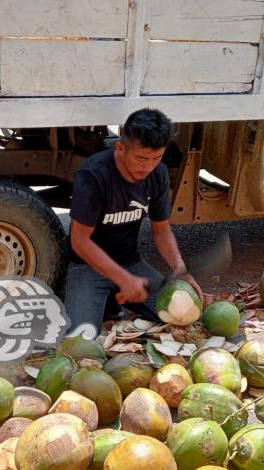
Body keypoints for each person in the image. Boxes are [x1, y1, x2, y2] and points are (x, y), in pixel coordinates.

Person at [65, 108, 203, 333]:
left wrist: (178, 265)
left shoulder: (158, 174)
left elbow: (161, 230)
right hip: (87, 266)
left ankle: (114, 298)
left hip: (129, 262)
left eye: (156, 158)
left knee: (183, 317)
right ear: (120, 147)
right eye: (140, 158)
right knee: (80, 341)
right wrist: (124, 279)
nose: (147, 167)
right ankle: (107, 297)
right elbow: (79, 241)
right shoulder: (93, 175)